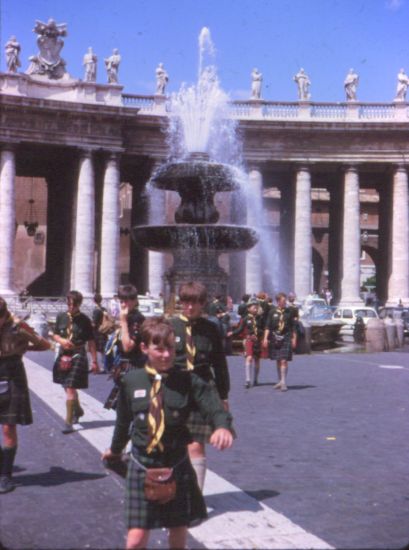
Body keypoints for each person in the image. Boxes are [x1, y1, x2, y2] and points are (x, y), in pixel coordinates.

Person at [102, 317, 233, 550]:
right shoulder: (131, 381)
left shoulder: (188, 380)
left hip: (176, 464)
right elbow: (122, 424)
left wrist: (222, 426)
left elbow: (213, 406)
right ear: (144, 348)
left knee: (178, 530)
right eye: (159, 349)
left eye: (170, 348)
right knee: (135, 540)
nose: (165, 355)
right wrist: (114, 450)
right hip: (142, 464)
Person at [168, 282, 230, 491]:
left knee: (196, 445)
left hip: (201, 391)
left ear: (203, 304)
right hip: (174, 390)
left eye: (195, 303)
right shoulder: (170, 326)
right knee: (172, 444)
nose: (190, 307)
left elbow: (220, 364)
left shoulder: (210, 329)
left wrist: (223, 396)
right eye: (186, 302)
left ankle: (196, 498)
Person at [0, 297, 50, 493]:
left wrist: (24, 347)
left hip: (12, 374)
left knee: (8, 427)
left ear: (4, 316)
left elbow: (44, 344)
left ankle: (6, 475)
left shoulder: (19, 326)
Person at [51, 290, 99, 433]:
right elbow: (54, 334)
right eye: (69, 304)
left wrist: (95, 361)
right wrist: (61, 340)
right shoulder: (61, 316)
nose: (71, 307)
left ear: (79, 304)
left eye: (74, 305)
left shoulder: (85, 320)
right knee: (66, 386)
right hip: (63, 353)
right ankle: (77, 410)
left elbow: (91, 342)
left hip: (78, 353)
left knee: (71, 387)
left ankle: (68, 422)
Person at [104, 285, 146, 410]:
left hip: (133, 366)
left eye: (127, 301)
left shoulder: (136, 319)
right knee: (121, 407)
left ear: (134, 301)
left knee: (127, 408)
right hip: (123, 365)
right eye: (121, 301)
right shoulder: (128, 317)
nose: (123, 304)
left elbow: (128, 347)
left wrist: (122, 321)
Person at [262, 292, 296, 392]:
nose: (284, 302)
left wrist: (294, 339)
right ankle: (280, 380)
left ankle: (284, 382)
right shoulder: (272, 312)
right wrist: (265, 338)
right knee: (278, 359)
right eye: (283, 301)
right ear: (278, 301)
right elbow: (268, 326)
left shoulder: (290, 311)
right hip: (275, 337)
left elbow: (293, 327)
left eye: (285, 301)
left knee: (283, 360)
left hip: (286, 337)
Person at [230, 298, 264, 388]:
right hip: (249, 340)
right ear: (249, 308)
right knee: (249, 358)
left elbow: (263, 329)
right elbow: (240, 329)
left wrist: (260, 335)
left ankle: (256, 379)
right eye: (254, 307)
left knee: (257, 360)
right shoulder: (245, 319)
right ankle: (248, 380)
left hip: (257, 341)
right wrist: (232, 333)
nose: (255, 309)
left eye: (256, 307)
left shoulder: (260, 318)